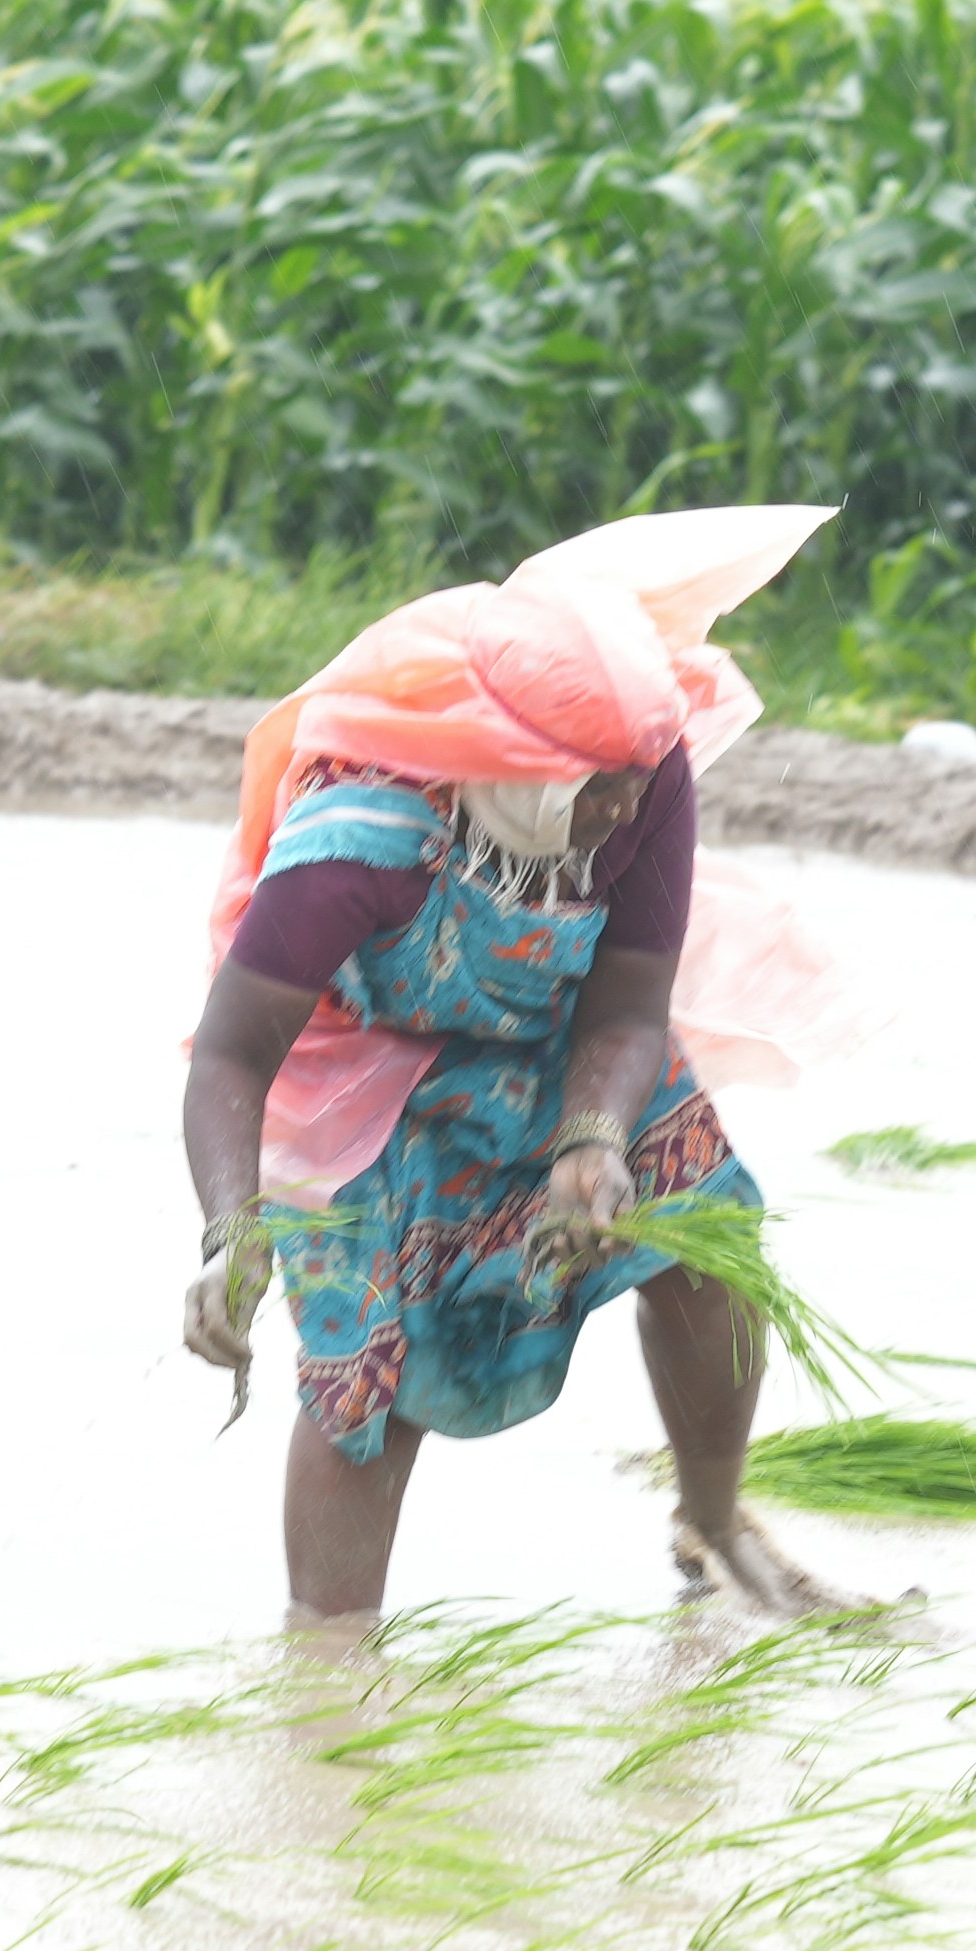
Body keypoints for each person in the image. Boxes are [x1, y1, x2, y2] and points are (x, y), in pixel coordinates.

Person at [176, 506, 858, 1623]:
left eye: (635, 779)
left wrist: (592, 1136)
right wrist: (230, 1227)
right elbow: (233, 1051)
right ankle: (331, 1664)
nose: (624, 807)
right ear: (512, 766)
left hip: (557, 1033)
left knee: (711, 1245)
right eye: (591, 790)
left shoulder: (645, 775)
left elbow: (632, 1002)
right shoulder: (361, 836)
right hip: (354, 1078)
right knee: (368, 1378)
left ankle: (718, 1520)